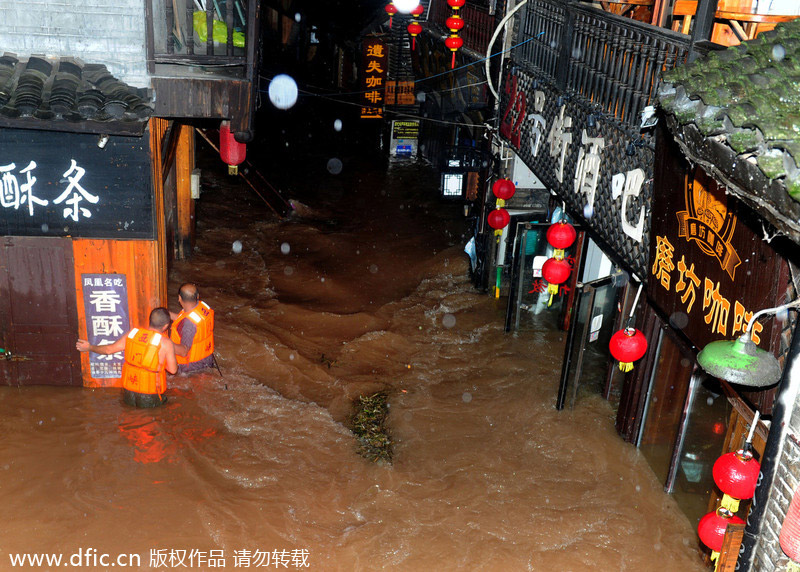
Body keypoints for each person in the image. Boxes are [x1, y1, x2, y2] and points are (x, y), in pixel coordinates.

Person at [76, 307, 177, 408]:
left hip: (129, 392)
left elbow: (109, 350)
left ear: (149, 320)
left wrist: (89, 347)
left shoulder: (132, 334)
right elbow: (173, 370)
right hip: (150, 395)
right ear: (166, 326)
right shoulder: (166, 343)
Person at [169, 283, 215, 374]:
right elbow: (182, 319)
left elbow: (184, 351)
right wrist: (167, 313)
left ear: (179, 298)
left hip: (191, 368)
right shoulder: (202, 308)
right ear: (197, 296)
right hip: (207, 358)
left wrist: (165, 344)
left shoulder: (188, 324)